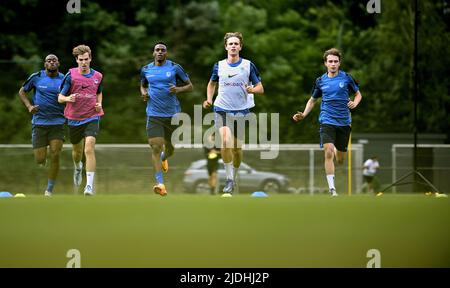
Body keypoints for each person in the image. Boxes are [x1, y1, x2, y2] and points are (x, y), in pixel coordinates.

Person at [292, 48, 362, 197]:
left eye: (336, 61)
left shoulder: (347, 78)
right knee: (328, 151)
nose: (333, 64)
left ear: (339, 63)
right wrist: (303, 114)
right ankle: (332, 189)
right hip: (327, 120)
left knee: (341, 159)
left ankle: (339, 150)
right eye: (330, 61)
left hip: (344, 122)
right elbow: (312, 100)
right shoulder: (320, 81)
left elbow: (358, 94)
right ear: (325, 63)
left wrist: (355, 103)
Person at [203, 32, 264, 196]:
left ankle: (234, 176)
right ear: (226, 47)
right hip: (221, 108)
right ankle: (229, 180)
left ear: (240, 47)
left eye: (236, 43)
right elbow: (211, 83)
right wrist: (209, 99)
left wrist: (253, 89)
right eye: (230, 44)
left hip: (242, 111)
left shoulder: (248, 65)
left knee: (237, 149)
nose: (233, 46)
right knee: (224, 140)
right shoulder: (219, 66)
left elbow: (261, 88)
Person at [140, 42, 193, 196]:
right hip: (154, 114)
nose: (160, 52)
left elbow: (190, 86)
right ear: (153, 53)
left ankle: (165, 157)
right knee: (156, 147)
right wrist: (144, 93)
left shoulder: (175, 68)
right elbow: (143, 85)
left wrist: (178, 89)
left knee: (169, 148)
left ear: (166, 53)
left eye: (163, 50)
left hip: (172, 114)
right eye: (157, 50)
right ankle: (160, 184)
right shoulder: (146, 69)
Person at [58, 44, 104, 196]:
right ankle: (78, 167)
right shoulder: (70, 76)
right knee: (77, 153)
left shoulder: (98, 76)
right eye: (81, 60)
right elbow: (60, 97)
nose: (84, 62)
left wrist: (99, 104)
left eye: (86, 59)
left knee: (89, 148)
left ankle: (89, 186)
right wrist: (68, 98)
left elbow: (99, 93)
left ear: (90, 59)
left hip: (92, 116)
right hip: (74, 118)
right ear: (76, 60)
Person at [18, 54, 65, 197]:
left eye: (54, 60)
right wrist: (29, 106)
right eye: (48, 61)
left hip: (58, 122)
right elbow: (22, 92)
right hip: (39, 123)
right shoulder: (37, 77)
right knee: (40, 159)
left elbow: (71, 96)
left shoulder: (64, 79)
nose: (51, 62)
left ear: (58, 63)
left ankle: (49, 190)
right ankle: (41, 157)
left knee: (55, 155)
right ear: (45, 64)